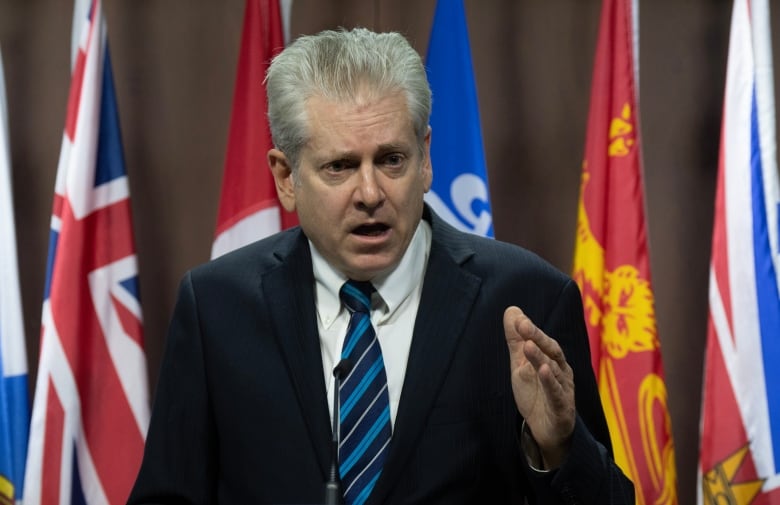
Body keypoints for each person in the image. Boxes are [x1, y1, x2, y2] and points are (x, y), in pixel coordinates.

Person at [128, 27, 634, 505]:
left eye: (392, 160)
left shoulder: (528, 300)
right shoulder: (217, 308)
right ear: (285, 177)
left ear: (426, 158)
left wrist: (559, 449)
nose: (370, 194)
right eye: (340, 167)